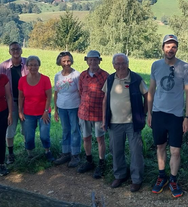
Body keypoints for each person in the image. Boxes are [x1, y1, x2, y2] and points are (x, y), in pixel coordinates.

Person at [147, 34, 188, 198]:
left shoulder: (185, 67)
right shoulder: (156, 66)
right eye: (168, 46)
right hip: (158, 113)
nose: (170, 49)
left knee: (175, 151)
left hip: (176, 116)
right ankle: (162, 177)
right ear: (163, 48)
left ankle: (173, 180)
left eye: (173, 46)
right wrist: (149, 113)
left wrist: (187, 117)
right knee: (160, 147)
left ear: (177, 49)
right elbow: (151, 91)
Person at [102, 53, 148, 192]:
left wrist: (144, 113)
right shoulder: (110, 79)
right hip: (114, 122)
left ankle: (136, 179)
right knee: (116, 150)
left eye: (123, 63)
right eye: (118, 63)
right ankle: (120, 175)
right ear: (113, 65)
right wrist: (104, 119)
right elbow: (105, 99)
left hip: (133, 122)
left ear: (128, 64)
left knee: (136, 151)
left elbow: (147, 95)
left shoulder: (135, 79)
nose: (121, 66)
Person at [77, 50, 109, 179]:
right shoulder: (83, 75)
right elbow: (80, 92)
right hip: (84, 113)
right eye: (90, 60)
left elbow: (107, 96)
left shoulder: (105, 76)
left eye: (95, 59)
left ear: (99, 61)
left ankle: (101, 163)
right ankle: (89, 161)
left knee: (100, 139)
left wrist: (105, 116)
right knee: (86, 138)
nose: (92, 62)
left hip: (99, 114)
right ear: (87, 61)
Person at [18, 55, 55, 162]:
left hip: (43, 113)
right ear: (27, 66)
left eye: (35, 65)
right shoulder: (22, 80)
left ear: (39, 65)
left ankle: (47, 151)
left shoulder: (45, 79)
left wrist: (45, 111)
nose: (33, 67)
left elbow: (49, 97)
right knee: (28, 137)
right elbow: (21, 97)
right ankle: (30, 154)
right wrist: (20, 111)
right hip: (28, 114)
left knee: (44, 135)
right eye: (31, 65)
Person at [0, 42, 29, 164]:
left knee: (26, 129)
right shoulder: (3, 66)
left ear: (21, 50)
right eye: (13, 49)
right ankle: (10, 154)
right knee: (10, 128)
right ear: (9, 51)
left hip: (26, 102)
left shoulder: (28, 63)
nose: (15, 51)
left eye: (17, 49)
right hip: (10, 102)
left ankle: (29, 153)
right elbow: (0, 85)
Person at [53, 51, 82, 167]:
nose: (66, 63)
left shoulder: (76, 75)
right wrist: (55, 109)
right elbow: (56, 92)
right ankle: (65, 153)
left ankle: (75, 155)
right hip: (62, 107)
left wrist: (81, 108)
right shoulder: (57, 76)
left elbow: (80, 92)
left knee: (75, 130)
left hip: (74, 106)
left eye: (68, 61)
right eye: (64, 61)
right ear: (59, 62)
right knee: (65, 130)